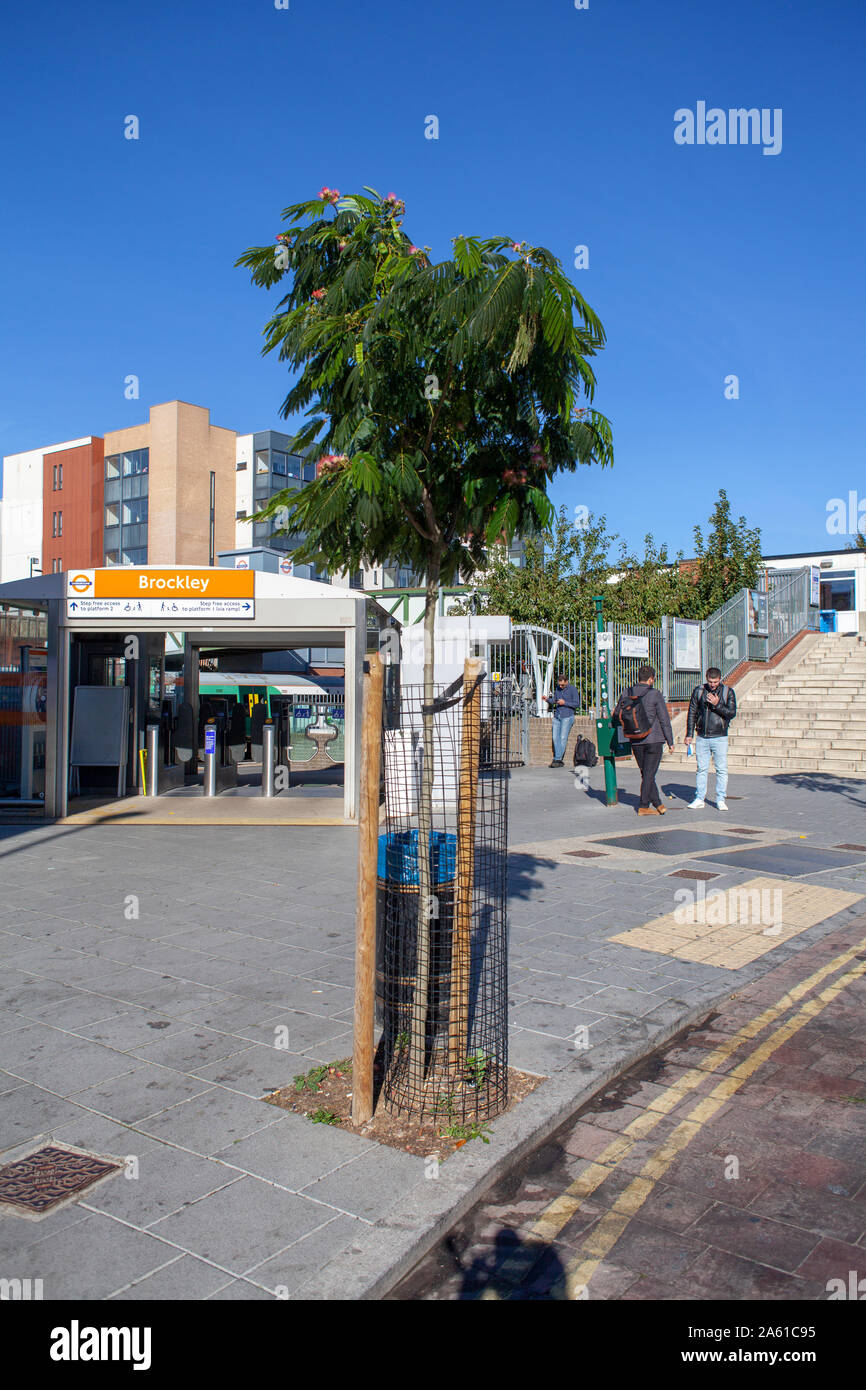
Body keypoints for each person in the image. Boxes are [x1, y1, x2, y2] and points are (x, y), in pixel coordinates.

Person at [612, 664, 674, 815]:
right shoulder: (655, 694)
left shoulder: (627, 692)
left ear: (639, 678)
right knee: (649, 774)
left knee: (646, 772)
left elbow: (616, 714)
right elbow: (664, 719)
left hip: (635, 738)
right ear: (651, 679)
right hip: (654, 739)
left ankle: (657, 803)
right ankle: (643, 806)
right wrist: (670, 741)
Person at [685, 666, 737, 810]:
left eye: (715, 682)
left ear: (720, 679)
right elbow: (692, 713)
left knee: (721, 769)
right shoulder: (699, 691)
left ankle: (720, 798)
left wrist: (717, 704)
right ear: (706, 679)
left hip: (720, 736)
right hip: (702, 736)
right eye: (710, 682)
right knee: (701, 769)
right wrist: (689, 734)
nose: (712, 685)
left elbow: (731, 713)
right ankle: (699, 798)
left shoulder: (728, 692)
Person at [546, 672, 580, 766]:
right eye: (559, 684)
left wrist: (564, 703)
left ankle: (557, 759)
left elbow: (577, 704)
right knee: (555, 737)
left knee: (562, 738)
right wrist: (547, 699)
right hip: (557, 715)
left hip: (567, 716)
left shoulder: (572, 689)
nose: (560, 686)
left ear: (566, 682)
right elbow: (555, 701)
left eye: (562, 685)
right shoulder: (557, 689)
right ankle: (558, 759)